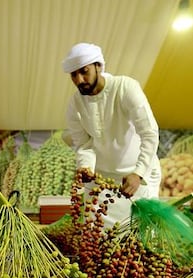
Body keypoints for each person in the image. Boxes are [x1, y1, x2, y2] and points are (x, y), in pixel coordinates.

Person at [62, 42, 161, 226]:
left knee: (140, 238)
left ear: (98, 66)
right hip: (102, 181)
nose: (79, 80)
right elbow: (83, 144)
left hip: (137, 176)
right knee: (97, 238)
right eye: (74, 75)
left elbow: (149, 133)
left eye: (84, 71)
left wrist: (138, 173)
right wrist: (86, 167)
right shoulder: (75, 103)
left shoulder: (125, 87)